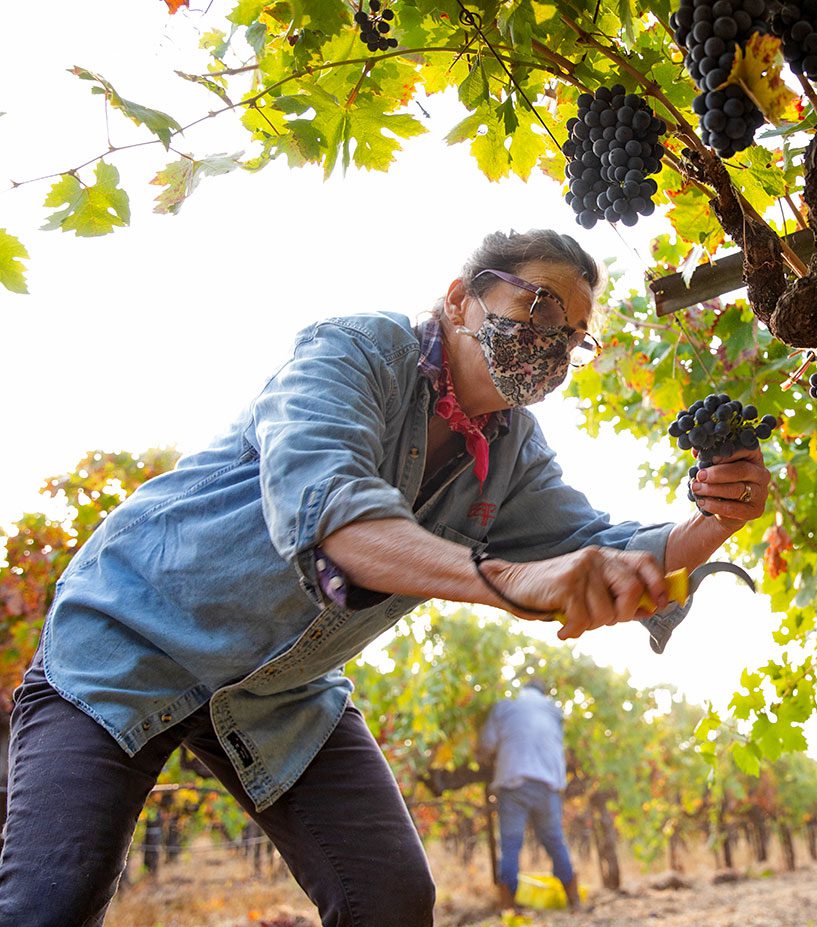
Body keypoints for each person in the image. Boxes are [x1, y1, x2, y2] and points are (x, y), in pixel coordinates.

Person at [0, 229, 772, 927]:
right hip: (131, 638)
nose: (553, 343)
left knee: (392, 901)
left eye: (573, 335)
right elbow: (334, 512)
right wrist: (511, 580)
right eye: (539, 308)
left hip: (279, 692)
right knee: (48, 907)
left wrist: (717, 521)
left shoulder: (513, 449)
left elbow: (597, 544)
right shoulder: (358, 350)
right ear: (460, 296)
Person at [479, 678, 578, 910]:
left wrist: (485, 758)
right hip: (548, 785)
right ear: (543, 693)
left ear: (523, 689)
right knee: (555, 841)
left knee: (511, 844)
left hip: (514, 783)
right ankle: (574, 902)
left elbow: (486, 744)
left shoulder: (506, 705)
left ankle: (508, 907)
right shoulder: (554, 710)